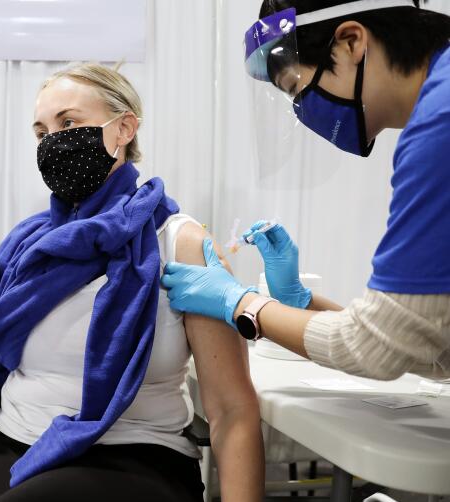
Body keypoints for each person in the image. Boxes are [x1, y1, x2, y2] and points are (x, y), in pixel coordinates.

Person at [0, 64, 264, 502]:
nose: (52, 141)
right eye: (41, 132)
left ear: (124, 128)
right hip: (13, 443)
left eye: (68, 123)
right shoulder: (28, 245)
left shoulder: (180, 245)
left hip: (135, 459)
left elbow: (232, 409)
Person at [162, 0, 450, 381]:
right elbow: (433, 347)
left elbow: (377, 351)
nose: (303, 109)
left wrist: (241, 303)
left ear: (350, 42)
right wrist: (300, 302)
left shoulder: (439, 126)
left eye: (296, 88)